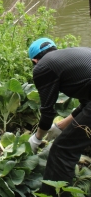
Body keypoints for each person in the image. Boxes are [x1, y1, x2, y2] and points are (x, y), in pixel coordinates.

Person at [27, 37, 91, 196]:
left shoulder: (43, 67)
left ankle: (53, 194)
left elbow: (48, 111)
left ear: (35, 60)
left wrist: (37, 138)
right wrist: (61, 126)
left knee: (62, 150)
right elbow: (86, 103)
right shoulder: (72, 56)